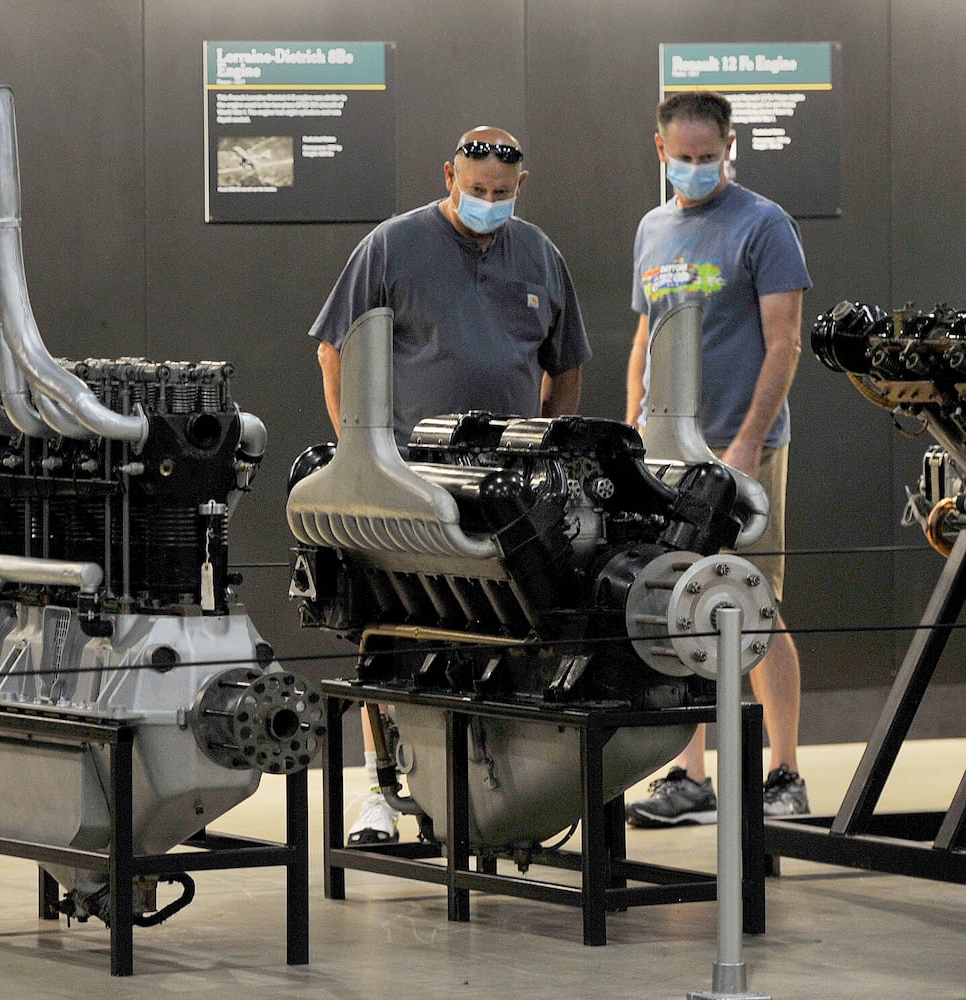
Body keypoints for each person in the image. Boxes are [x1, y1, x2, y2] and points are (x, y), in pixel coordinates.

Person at [310, 126, 592, 844]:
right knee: (390, 632)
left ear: (520, 186)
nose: (487, 203)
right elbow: (333, 350)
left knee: (504, 636)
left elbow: (566, 365)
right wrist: (357, 451)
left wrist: (543, 451)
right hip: (407, 477)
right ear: (448, 177)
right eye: (475, 192)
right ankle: (379, 791)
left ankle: (484, 797)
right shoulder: (391, 247)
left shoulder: (539, 254)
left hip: (506, 486)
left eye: (501, 194)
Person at [623, 91, 812, 827]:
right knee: (674, 604)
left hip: (741, 447)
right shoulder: (651, 228)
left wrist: (748, 444)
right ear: (660, 150)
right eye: (685, 157)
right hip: (663, 452)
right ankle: (688, 774)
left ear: (730, 147)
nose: (697, 168)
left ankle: (785, 771)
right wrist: (631, 427)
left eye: (710, 156)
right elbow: (645, 338)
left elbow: (783, 341)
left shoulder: (763, 225)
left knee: (754, 604)